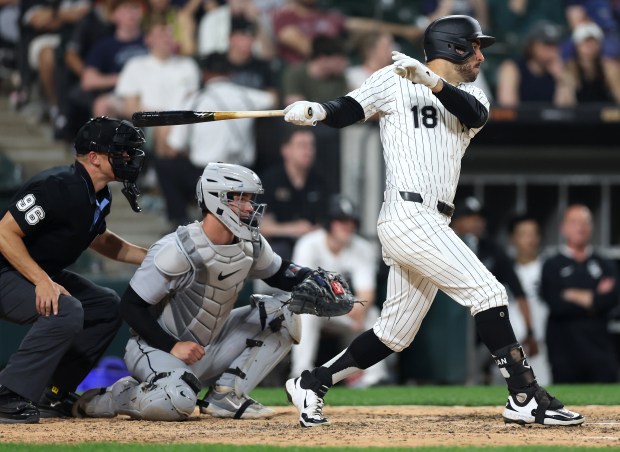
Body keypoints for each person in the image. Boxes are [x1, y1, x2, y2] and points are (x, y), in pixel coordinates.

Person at [282, 14, 584, 427]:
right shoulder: (392, 78)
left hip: (434, 220)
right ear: (452, 47)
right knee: (488, 291)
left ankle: (311, 382)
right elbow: (348, 108)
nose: (480, 55)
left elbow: (473, 115)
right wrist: (316, 111)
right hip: (407, 213)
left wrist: (431, 81)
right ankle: (524, 395)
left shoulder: (473, 93)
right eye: (473, 46)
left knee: (394, 333)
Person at [71, 162, 348, 421]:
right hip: (155, 348)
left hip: (207, 346)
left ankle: (227, 397)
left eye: (250, 199)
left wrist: (311, 278)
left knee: (283, 311)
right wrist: (172, 345)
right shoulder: (178, 248)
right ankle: (117, 396)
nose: (250, 207)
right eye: (242, 198)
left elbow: (279, 272)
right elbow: (130, 306)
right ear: (219, 199)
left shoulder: (249, 243)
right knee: (177, 402)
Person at [0, 116, 148, 424]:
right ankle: (8, 394)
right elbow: (4, 233)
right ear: (94, 157)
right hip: (4, 269)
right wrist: (42, 281)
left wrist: (151, 257)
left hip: (28, 271)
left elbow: (100, 239)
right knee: (65, 309)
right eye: (118, 151)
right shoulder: (57, 186)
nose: (127, 157)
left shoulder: (98, 194)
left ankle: (52, 392)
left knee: (106, 305)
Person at [289, 194, 389, 388]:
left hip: (345, 313)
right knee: (305, 315)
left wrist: (360, 310)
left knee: (373, 315)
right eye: (341, 221)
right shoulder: (309, 244)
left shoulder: (362, 247)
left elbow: (367, 292)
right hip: (314, 309)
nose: (347, 226)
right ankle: (300, 374)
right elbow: (304, 291)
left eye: (351, 221)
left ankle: (374, 377)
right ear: (329, 222)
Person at [450, 197, 538, 386]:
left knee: (482, 379)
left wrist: (530, 330)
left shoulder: (494, 251)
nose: (476, 222)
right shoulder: (445, 249)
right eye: (469, 217)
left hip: (483, 331)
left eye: (480, 217)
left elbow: (518, 291)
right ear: (456, 221)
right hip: (450, 330)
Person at [540, 204, 619, 383]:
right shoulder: (552, 264)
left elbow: (611, 300)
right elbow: (556, 303)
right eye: (574, 222)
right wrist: (593, 297)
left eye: (585, 222)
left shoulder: (605, 263)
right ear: (563, 228)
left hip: (599, 349)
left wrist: (571, 294)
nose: (580, 227)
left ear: (591, 227)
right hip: (563, 350)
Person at [259, 125, 329, 261]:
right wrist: (293, 229)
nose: (308, 151)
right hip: (278, 246)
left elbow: (326, 222)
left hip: (311, 244)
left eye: (311, 145)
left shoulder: (319, 181)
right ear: (286, 150)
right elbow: (262, 227)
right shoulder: (270, 180)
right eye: (302, 145)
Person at [507, 213, 552, 385]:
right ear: (513, 239)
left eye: (533, 234)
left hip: (539, 345)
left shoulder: (547, 268)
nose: (530, 239)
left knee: (543, 389)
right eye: (524, 234)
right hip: (509, 347)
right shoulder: (504, 270)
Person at [495, 20, 576, 107]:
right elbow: (508, 109)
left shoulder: (559, 72)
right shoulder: (512, 68)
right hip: (522, 120)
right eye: (547, 44)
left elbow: (566, 113)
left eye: (555, 45)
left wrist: (561, 80)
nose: (552, 50)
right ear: (533, 45)